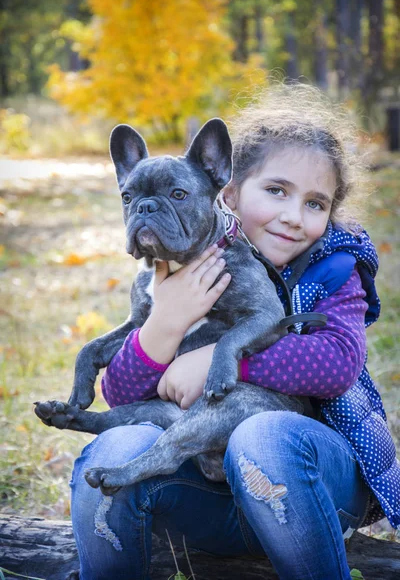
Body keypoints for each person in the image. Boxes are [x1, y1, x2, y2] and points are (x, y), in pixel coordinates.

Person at [70, 83, 400, 580]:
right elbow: (120, 395)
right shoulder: (174, 270)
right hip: (207, 491)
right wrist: (166, 322)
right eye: (275, 191)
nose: (293, 215)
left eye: (316, 203)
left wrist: (216, 359)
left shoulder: (336, 267)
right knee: (114, 449)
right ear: (228, 190)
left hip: (315, 483)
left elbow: (335, 364)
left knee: (262, 434)